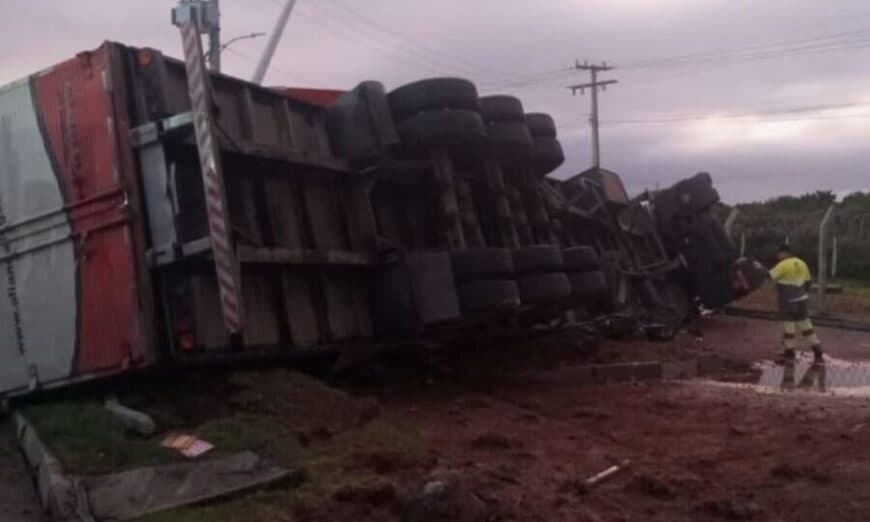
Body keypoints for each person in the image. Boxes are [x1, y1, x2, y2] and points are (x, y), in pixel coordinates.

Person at [769, 245, 823, 363]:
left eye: (779, 254)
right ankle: (816, 348)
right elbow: (808, 282)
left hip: (787, 300)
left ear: (784, 253)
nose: (777, 256)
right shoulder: (802, 263)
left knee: (788, 325)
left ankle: (789, 351)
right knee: (805, 324)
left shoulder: (783, 265)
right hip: (801, 299)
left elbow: (770, 276)